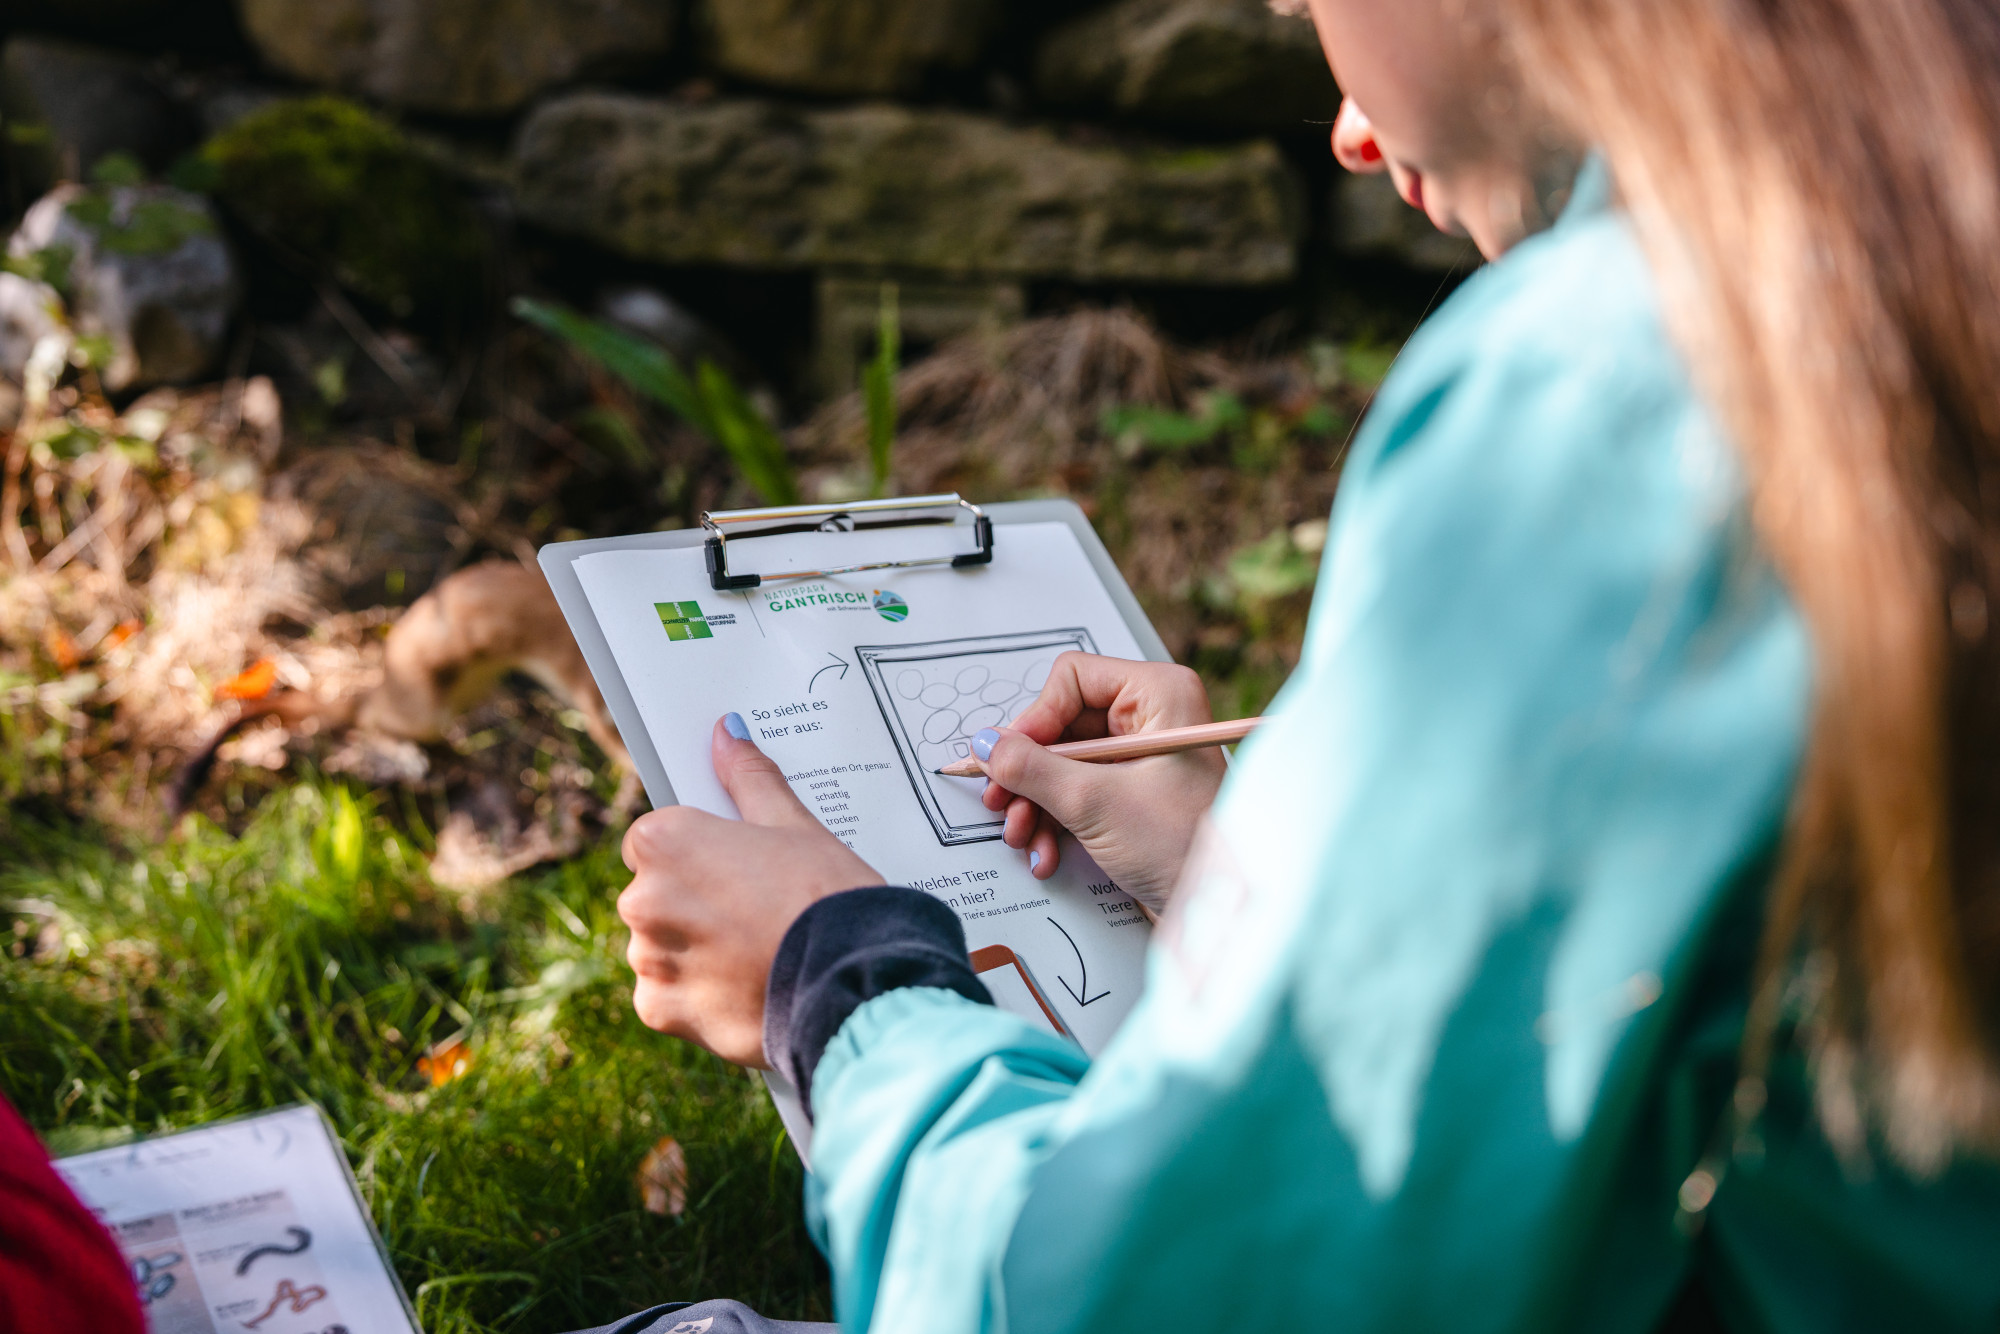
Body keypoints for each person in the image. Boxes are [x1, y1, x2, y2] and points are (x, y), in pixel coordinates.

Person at [610, 0, 2000, 1330]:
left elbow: (1159, 1301)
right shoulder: (1930, 268)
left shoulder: (1606, 405)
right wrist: (1244, 885)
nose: (1345, 126)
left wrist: (841, 982)